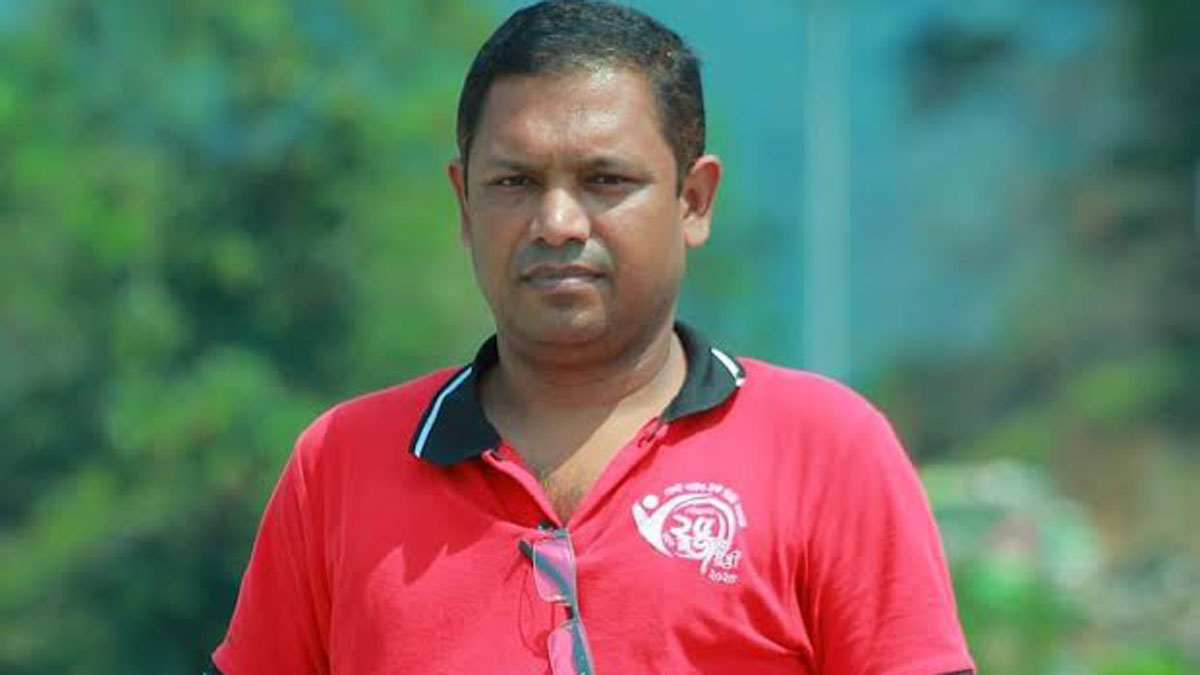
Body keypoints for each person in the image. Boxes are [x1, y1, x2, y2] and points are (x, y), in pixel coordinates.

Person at [206, 1, 976, 674]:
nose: (557, 223)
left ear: (694, 200)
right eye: (514, 182)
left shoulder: (824, 452)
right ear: (464, 204)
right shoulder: (341, 464)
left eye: (605, 181)